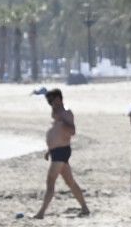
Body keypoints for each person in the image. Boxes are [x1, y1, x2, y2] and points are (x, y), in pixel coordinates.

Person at [34, 88, 89, 218]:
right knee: (70, 182)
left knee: (50, 181)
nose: (50, 104)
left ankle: (41, 213)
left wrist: (61, 121)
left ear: (58, 99)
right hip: (56, 151)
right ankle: (85, 208)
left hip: (61, 152)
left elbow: (72, 131)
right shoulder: (56, 113)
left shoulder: (66, 113)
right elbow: (56, 134)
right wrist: (49, 150)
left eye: (51, 101)